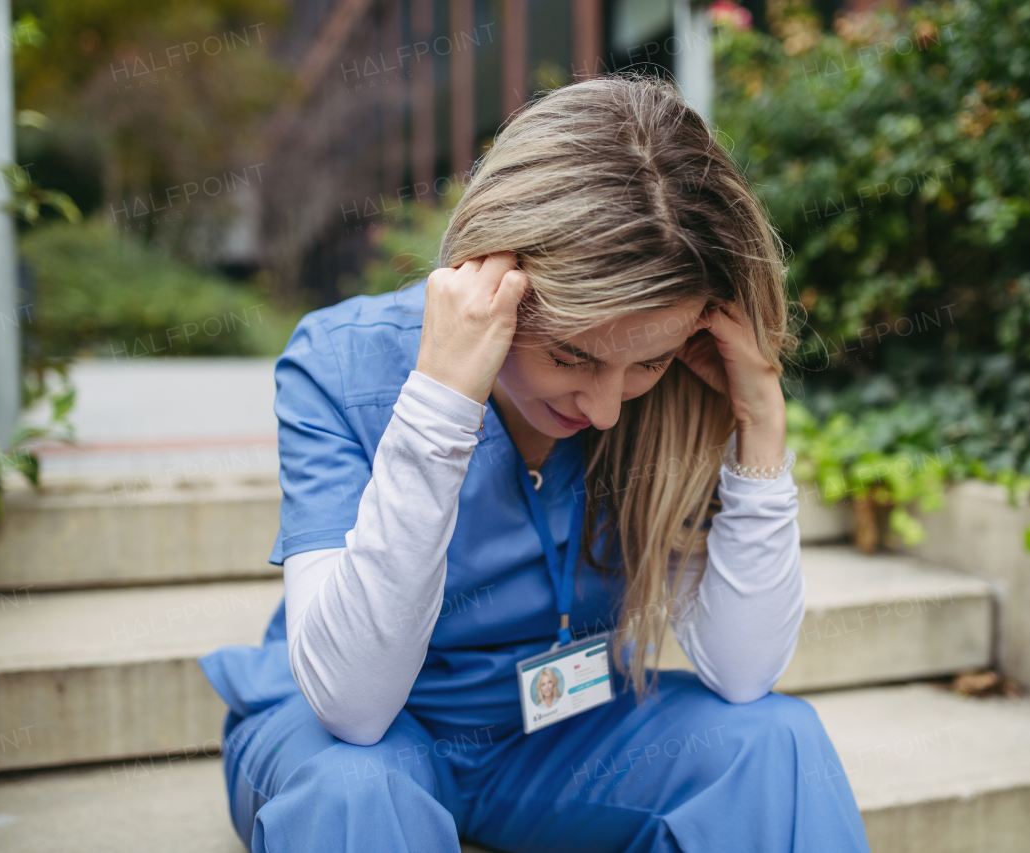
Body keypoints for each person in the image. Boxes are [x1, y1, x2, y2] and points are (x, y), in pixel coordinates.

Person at [199, 72, 871, 853]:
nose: (608, 408)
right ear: (495, 274)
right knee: (357, 790)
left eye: (646, 364)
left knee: (776, 739)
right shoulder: (338, 363)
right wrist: (444, 403)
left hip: (561, 733)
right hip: (355, 737)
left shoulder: (679, 387)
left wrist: (757, 419)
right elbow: (353, 707)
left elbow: (744, 675)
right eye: (570, 356)